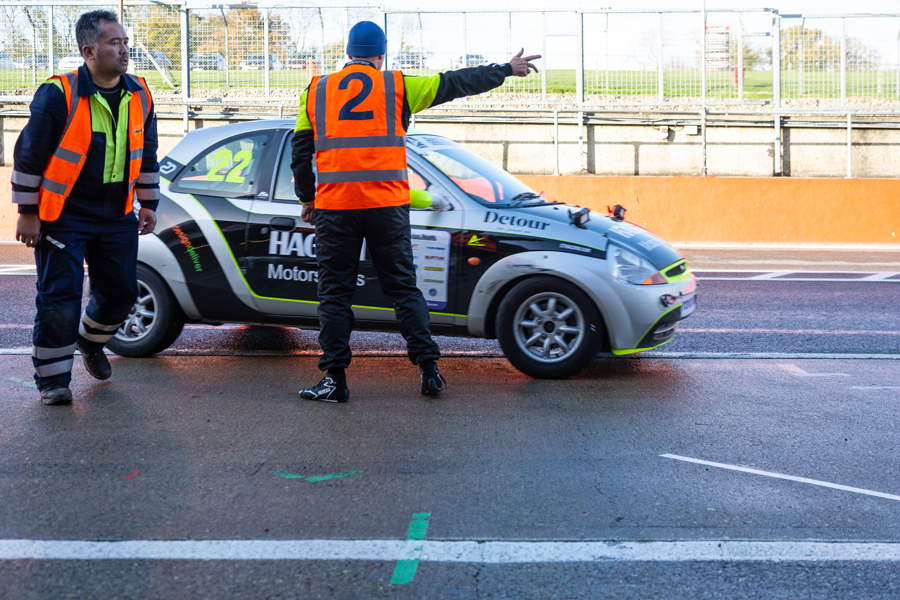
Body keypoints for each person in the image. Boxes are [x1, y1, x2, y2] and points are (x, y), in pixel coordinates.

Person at [291, 20, 539, 402]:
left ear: (348, 53)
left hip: (337, 208)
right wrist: (505, 69)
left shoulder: (316, 90)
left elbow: (300, 152)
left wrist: (309, 198)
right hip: (387, 206)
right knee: (404, 289)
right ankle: (429, 370)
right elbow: (454, 82)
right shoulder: (398, 85)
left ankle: (335, 380)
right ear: (381, 53)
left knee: (335, 295)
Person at [12, 10, 159, 405]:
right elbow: (28, 155)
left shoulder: (140, 93)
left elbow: (147, 154)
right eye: (115, 43)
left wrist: (148, 203)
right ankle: (53, 381)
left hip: (116, 214)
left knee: (122, 292)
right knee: (60, 299)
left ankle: (90, 343)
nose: (125, 50)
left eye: (126, 42)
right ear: (89, 50)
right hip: (64, 215)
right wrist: (28, 212)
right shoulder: (58, 94)